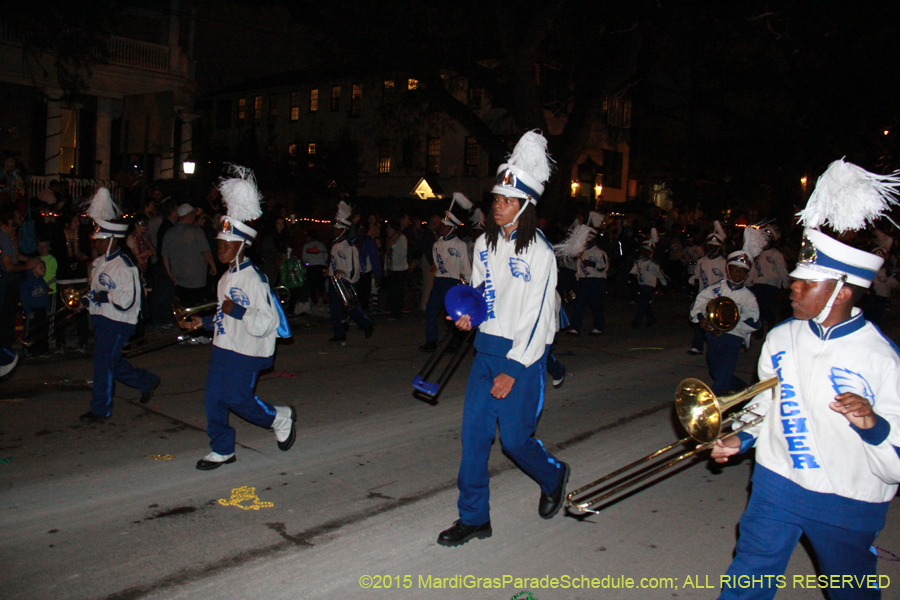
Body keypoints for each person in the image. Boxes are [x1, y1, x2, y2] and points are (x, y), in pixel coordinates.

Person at [711, 159, 900, 600]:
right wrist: (742, 438)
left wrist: (874, 426)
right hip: (776, 484)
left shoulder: (883, 359)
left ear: (841, 290)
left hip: (845, 499)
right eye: (795, 280)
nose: (792, 288)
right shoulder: (779, 339)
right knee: (747, 579)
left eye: (805, 283)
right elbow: (765, 406)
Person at [438, 131, 568, 547]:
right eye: (496, 199)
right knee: (474, 437)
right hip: (487, 351)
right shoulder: (482, 244)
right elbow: (481, 297)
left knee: (514, 442)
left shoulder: (542, 254)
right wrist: (466, 318)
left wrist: (513, 370)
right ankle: (474, 517)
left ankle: (553, 475)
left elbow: (536, 318)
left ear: (525, 205)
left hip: (523, 358)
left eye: (507, 200)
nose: (498, 205)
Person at [181, 166, 296, 470]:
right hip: (224, 347)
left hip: (248, 350)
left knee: (237, 399)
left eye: (224, 245)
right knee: (214, 398)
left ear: (241, 246)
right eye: (218, 244)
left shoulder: (255, 280)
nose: (219, 249)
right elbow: (224, 317)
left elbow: (268, 321)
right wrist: (203, 324)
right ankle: (222, 448)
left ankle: (278, 418)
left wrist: (240, 311)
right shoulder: (223, 280)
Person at [79, 188, 160, 424]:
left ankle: (100, 408)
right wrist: (88, 300)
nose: (97, 243)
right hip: (102, 318)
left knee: (103, 362)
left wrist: (105, 297)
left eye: (101, 240)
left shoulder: (126, 265)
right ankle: (146, 381)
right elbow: (96, 291)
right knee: (111, 361)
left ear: (112, 240)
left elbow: (130, 299)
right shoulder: (97, 263)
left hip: (119, 322)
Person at [689, 227, 763, 396]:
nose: (737, 274)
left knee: (724, 371)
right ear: (728, 270)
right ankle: (743, 388)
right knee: (715, 370)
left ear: (746, 274)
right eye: (734, 269)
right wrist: (701, 320)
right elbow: (698, 304)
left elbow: (755, 322)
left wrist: (734, 324)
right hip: (713, 336)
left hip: (733, 338)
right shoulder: (715, 289)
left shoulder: (748, 297)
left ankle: (716, 402)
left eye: (742, 271)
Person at [420, 193, 472, 352]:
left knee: (454, 314)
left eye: (444, 226)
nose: (440, 228)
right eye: (440, 226)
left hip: (454, 281)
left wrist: (468, 283)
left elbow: (466, 266)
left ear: (452, 227)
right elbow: (436, 263)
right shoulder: (436, 244)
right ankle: (431, 340)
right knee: (431, 309)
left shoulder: (460, 245)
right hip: (440, 280)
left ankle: (456, 343)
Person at [327, 201, 373, 342]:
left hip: (346, 282)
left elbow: (354, 268)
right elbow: (334, 264)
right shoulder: (335, 245)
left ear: (343, 230)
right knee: (334, 308)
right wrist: (329, 273)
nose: (334, 230)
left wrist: (349, 282)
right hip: (336, 281)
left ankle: (367, 324)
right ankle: (339, 334)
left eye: (337, 228)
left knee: (351, 308)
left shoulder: (349, 246)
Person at [161, 204, 216, 308]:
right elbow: (206, 251)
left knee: (183, 306)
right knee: (196, 307)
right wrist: (213, 266)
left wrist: (170, 274)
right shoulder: (196, 231)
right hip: (197, 280)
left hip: (179, 279)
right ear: (188, 215)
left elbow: (165, 256)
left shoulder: (169, 232)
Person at [688, 222, 727, 354]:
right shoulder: (701, 261)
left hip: (718, 297)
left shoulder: (723, 263)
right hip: (703, 295)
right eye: (709, 246)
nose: (711, 249)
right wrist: (694, 281)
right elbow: (697, 275)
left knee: (716, 323)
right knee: (699, 318)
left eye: (714, 247)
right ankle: (697, 345)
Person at [568, 212, 608, 335]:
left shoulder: (599, 252)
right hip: (583, 280)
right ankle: (575, 327)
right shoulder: (581, 251)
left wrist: (593, 265)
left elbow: (604, 267)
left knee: (596, 305)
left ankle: (598, 327)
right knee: (578, 304)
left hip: (595, 280)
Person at [748, 223, 789, 337]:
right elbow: (753, 269)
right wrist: (749, 281)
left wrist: (787, 284)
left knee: (763, 306)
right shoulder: (758, 253)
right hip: (758, 283)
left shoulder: (776, 254)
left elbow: (782, 269)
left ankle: (771, 322)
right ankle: (759, 331)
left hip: (771, 284)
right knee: (756, 307)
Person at [629, 233, 668, 328]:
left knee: (642, 302)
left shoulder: (652, 264)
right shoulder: (639, 262)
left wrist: (664, 284)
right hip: (641, 283)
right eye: (643, 251)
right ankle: (651, 318)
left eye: (647, 251)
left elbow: (660, 274)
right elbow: (634, 271)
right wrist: (631, 276)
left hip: (649, 285)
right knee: (645, 302)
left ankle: (637, 321)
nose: (644, 253)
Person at [384, 219, 408, 320]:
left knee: (397, 293)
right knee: (392, 292)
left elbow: (403, 253)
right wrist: (385, 268)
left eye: (389, 228)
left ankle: (397, 314)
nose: (387, 230)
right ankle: (393, 312)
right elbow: (387, 255)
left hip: (400, 269)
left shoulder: (401, 238)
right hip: (392, 268)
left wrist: (393, 245)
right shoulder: (390, 238)